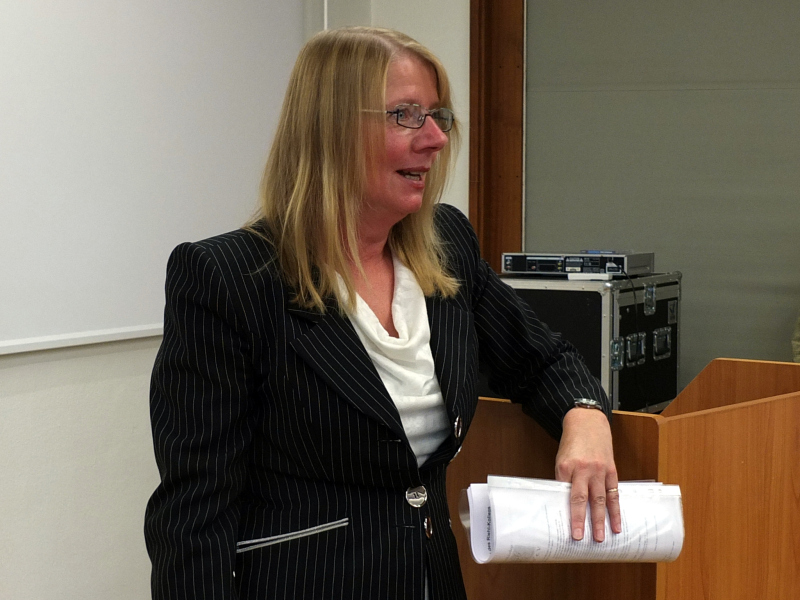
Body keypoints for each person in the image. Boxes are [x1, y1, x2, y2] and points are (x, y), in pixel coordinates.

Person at [144, 26, 620, 600]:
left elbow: (542, 358)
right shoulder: (227, 278)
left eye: (438, 116)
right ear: (331, 129)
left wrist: (585, 417)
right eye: (406, 116)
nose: (436, 139)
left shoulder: (446, 244)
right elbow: (194, 518)